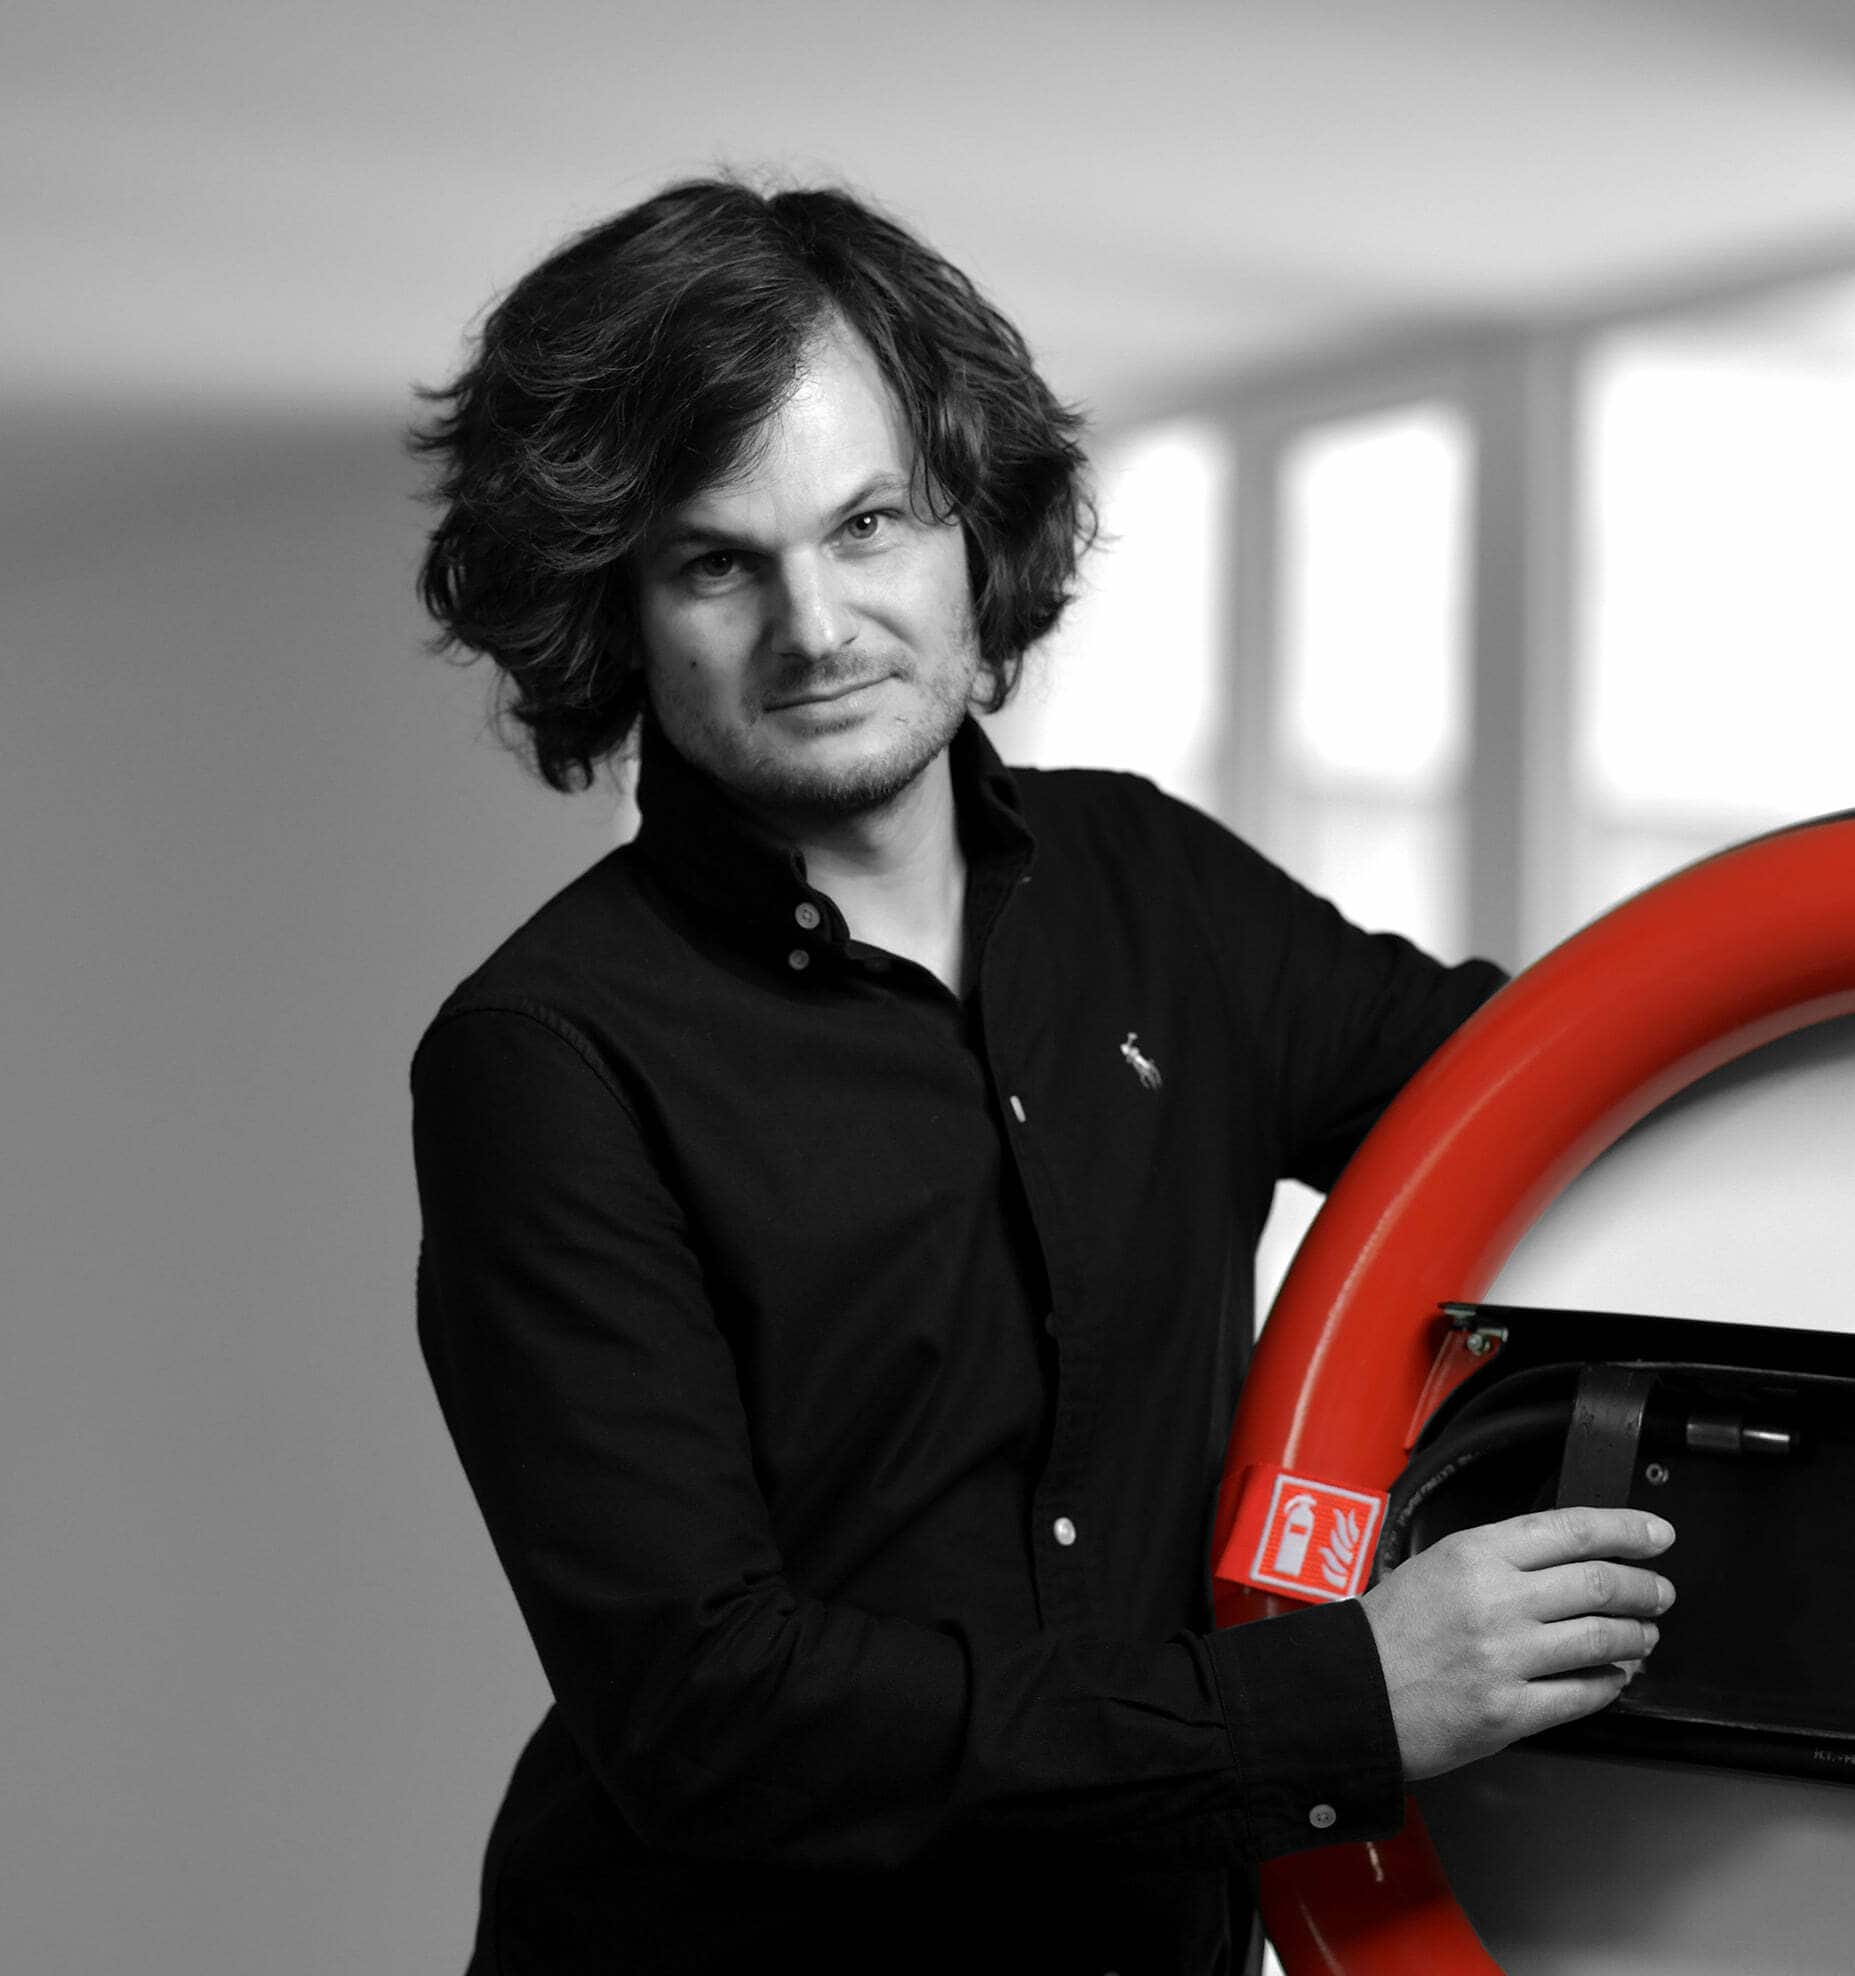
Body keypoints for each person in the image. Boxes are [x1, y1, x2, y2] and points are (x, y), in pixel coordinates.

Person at [408, 178, 1676, 1976]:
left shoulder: (1157, 890)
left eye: (867, 524)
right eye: (717, 562)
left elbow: (1572, 1112)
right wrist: (1341, 1700)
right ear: (614, 605)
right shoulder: (545, 1060)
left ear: (968, 526)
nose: (817, 625)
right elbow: (713, 1713)